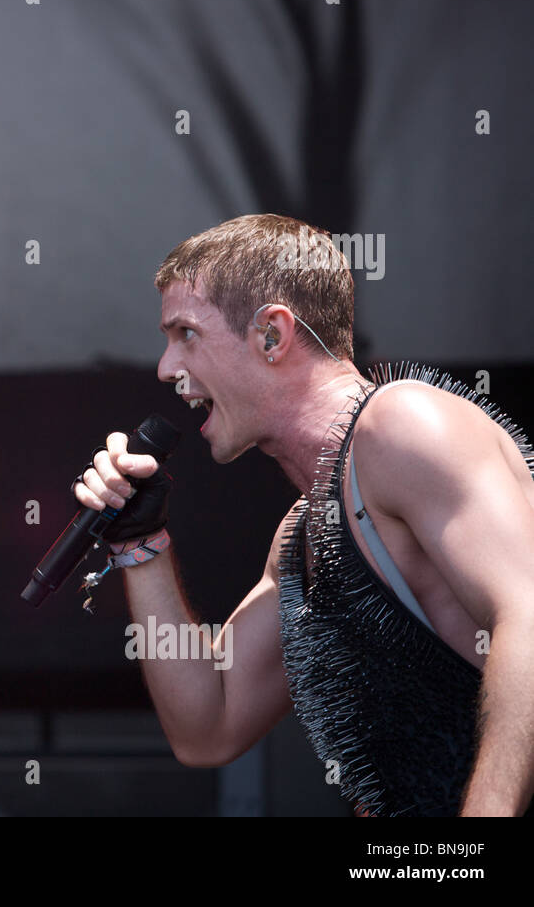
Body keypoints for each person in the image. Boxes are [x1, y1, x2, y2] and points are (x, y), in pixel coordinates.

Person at [72, 214, 534, 816]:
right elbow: (207, 729)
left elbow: (529, 619)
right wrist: (141, 545)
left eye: (185, 333)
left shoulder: (403, 424)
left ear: (272, 334)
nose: (165, 367)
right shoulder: (303, 534)